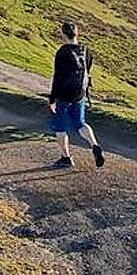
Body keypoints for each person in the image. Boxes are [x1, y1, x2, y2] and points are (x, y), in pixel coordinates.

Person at [49, 21, 105, 169]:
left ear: (63, 34)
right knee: (80, 123)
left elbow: (58, 76)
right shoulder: (86, 51)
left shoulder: (63, 52)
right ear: (77, 33)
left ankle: (66, 157)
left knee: (60, 127)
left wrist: (52, 98)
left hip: (63, 95)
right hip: (80, 94)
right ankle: (95, 145)